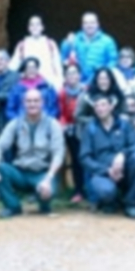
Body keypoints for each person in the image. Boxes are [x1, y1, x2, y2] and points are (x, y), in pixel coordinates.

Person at [0, 89, 66, 219]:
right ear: (23, 103)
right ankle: (12, 207)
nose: (32, 104)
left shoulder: (53, 125)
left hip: (42, 173)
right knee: (1, 168)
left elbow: (59, 154)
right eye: (29, 101)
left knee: (47, 190)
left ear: (42, 103)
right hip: (21, 173)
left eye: (36, 101)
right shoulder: (15, 124)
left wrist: (48, 178)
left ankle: (44, 205)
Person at [81, 95, 135, 219]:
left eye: (103, 105)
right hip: (102, 172)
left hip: (125, 169)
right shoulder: (90, 129)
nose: (100, 108)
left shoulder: (124, 125)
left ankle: (131, 204)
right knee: (107, 192)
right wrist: (106, 171)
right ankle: (111, 201)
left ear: (111, 107)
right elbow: (84, 158)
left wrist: (122, 155)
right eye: (97, 106)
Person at [9, 16, 64, 90]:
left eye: (38, 24)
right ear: (29, 28)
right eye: (32, 25)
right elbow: (13, 66)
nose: (35, 27)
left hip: (48, 83)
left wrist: (59, 83)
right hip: (29, 85)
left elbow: (58, 66)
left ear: (42, 27)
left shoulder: (50, 44)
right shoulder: (22, 45)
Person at [63, 12, 118, 82]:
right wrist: (66, 44)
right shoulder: (74, 39)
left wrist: (103, 76)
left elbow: (113, 61)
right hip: (77, 83)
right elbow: (63, 58)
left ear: (98, 24)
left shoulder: (108, 41)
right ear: (82, 25)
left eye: (92, 23)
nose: (89, 25)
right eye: (86, 23)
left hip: (98, 83)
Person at [58, 64, 85, 203]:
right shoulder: (63, 93)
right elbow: (61, 112)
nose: (72, 76)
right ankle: (78, 189)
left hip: (85, 129)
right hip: (70, 129)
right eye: (68, 74)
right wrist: (63, 124)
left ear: (79, 75)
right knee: (75, 160)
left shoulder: (86, 90)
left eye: (74, 73)